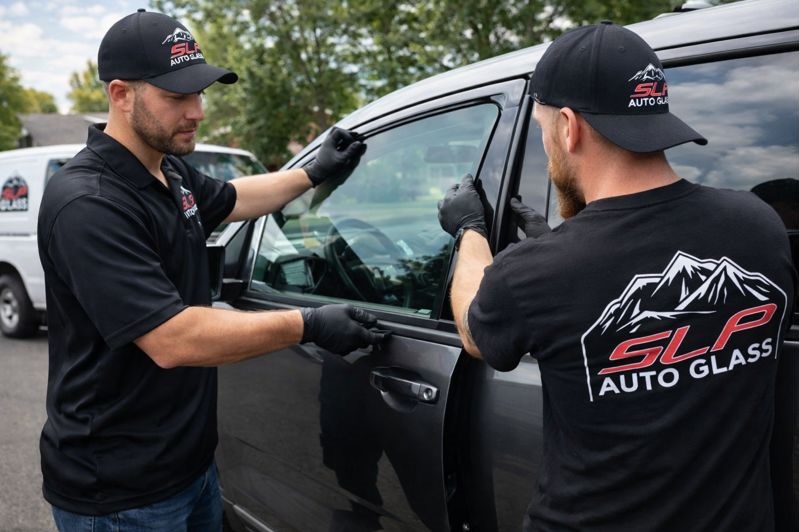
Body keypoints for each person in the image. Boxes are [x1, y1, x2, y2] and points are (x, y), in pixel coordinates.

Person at [438, 21, 796, 531]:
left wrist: (472, 231)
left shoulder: (535, 274)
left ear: (568, 125)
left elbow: (476, 335)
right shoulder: (760, 225)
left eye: (543, 129)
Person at [38, 9, 387, 531]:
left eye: (199, 93)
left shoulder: (166, 170)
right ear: (120, 94)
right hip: (119, 491)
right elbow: (173, 338)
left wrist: (312, 172)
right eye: (177, 96)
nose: (197, 110)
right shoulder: (89, 202)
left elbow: (234, 197)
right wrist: (307, 325)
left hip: (189, 467)